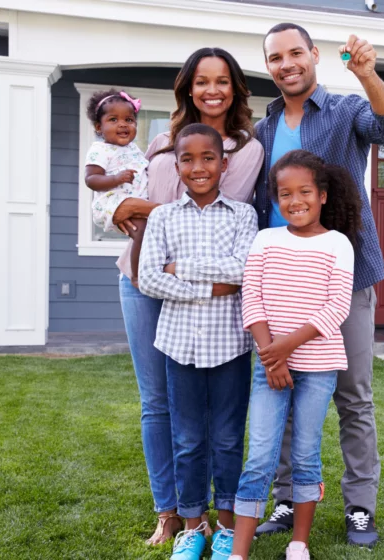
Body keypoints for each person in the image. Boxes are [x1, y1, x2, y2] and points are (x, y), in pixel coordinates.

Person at [251, 23, 384, 548]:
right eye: (276, 57)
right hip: (278, 280)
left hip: (346, 275)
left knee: (353, 398)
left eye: (296, 52)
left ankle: (359, 507)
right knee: (282, 387)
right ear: (269, 66)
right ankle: (287, 497)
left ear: (314, 56)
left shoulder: (344, 110)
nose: (286, 63)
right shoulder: (264, 128)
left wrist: (367, 74)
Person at [112, 47, 264, 547]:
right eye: (202, 81)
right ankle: (173, 514)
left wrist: (179, 264)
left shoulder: (247, 148)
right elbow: (140, 211)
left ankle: (214, 522)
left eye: (222, 81)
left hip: (212, 310)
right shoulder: (158, 142)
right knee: (159, 405)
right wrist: (130, 209)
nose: (212, 90)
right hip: (141, 277)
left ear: (235, 88)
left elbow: (224, 209)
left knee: (220, 428)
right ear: (188, 87)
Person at [218, 151, 360, 560]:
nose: (294, 201)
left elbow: (336, 308)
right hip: (269, 365)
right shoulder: (265, 239)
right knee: (260, 455)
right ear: (275, 198)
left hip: (318, 367)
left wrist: (284, 349)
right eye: (284, 194)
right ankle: (238, 554)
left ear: (323, 196)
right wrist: (271, 355)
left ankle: (299, 543)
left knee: (304, 453)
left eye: (304, 192)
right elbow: (252, 299)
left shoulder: (338, 245)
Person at [138, 124, 258, 560]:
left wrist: (180, 268)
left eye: (208, 158)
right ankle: (193, 527)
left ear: (224, 164)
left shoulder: (243, 215)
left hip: (229, 347)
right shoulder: (163, 216)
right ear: (176, 166)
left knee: (227, 438)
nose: (198, 167)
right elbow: (149, 277)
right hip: (179, 346)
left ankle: (226, 527)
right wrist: (210, 285)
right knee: (187, 439)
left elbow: (242, 271)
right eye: (187, 159)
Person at [83, 89, 149, 283]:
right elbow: (91, 179)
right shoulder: (99, 150)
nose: (122, 124)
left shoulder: (133, 149)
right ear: (98, 127)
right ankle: (136, 274)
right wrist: (116, 179)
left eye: (129, 120)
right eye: (113, 120)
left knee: (148, 230)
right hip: (111, 201)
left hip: (132, 200)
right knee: (142, 230)